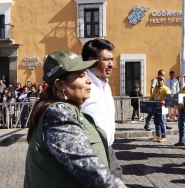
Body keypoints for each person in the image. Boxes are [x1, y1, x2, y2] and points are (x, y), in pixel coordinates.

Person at [24, 50, 126, 188]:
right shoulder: (58, 113)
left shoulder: (71, 111)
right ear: (60, 84)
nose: (89, 80)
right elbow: (86, 164)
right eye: (81, 75)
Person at [81, 38, 123, 180]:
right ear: (91, 61)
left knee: (118, 181)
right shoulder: (82, 85)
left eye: (112, 59)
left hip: (108, 148)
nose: (111, 64)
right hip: (90, 151)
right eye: (106, 60)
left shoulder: (105, 83)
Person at [149, 76, 171, 143]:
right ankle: (158, 135)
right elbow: (152, 97)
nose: (159, 81)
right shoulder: (155, 89)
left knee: (162, 122)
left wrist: (165, 101)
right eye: (158, 80)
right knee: (156, 122)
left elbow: (169, 97)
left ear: (163, 81)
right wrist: (148, 101)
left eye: (161, 80)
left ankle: (164, 137)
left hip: (162, 107)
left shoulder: (165, 88)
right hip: (156, 107)